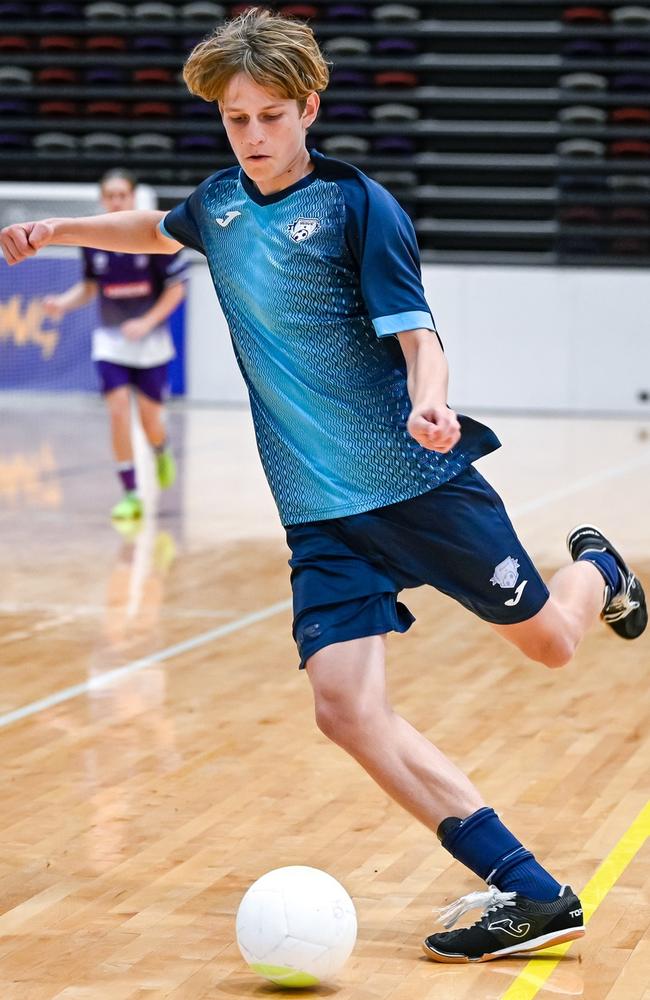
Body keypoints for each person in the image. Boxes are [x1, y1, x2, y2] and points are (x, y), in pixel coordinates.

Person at [1, 8, 646, 965]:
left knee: (552, 644)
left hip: (411, 481)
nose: (253, 137)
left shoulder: (357, 206)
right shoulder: (218, 206)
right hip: (317, 512)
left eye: (269, 116)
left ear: (309, 106)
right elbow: (158, 226)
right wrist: (59, 229)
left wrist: (432, 404)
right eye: (234, 120)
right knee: (343, 708)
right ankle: (533, 890)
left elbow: (420, 336)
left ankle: (600, 566)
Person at [40, 169, 187, 521]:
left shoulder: (154, 235)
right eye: (111, 196)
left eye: (123, 195)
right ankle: (131, 493)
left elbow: (177, 289)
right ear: (103, 200)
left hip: (150, 344)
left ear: (133, 198)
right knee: (118, 411)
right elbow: (90, 288)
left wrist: (147, 322)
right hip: (110, 342)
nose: (117, 201)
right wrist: (63, 302)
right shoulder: (94, 244)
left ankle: (160, 448)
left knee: (151, 421)